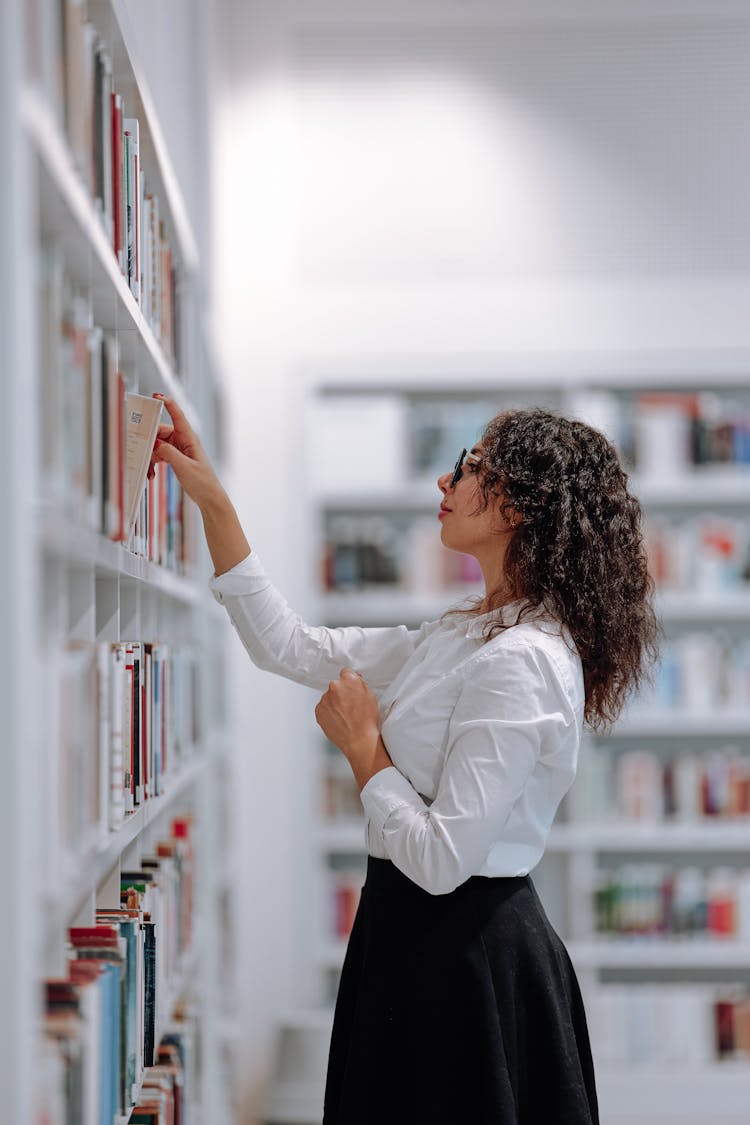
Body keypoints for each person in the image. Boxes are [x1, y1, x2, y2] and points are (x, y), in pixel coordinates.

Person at [149, 394, 660, 1125]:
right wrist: (213, 501)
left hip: (467, 955)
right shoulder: (462, 634)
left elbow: (443, 859)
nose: (445, 484)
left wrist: (364, 750)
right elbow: (288, 645)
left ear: (519, 505)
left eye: (470, 468)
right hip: (408, 936)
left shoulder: (524, 661)